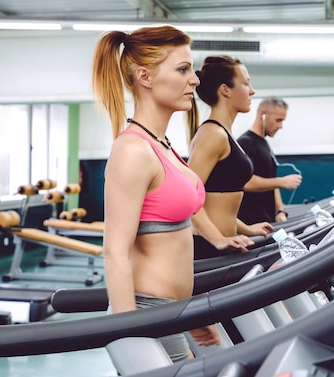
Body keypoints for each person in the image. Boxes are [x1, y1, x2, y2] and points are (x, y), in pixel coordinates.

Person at [92, 25, 219, 363]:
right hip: (149, 315)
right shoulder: (132, 151)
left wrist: (191, 317)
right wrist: (130, 334)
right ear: (144, 77)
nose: (194, 80)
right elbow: (114, 253)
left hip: (175, 312)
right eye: (183, 69)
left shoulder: (163, 145)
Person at [185, 55, 274, 260]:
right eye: (245, 83)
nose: (252, 91)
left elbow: (220, 204)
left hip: (224, 244)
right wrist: (217, 239)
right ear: (225, 90)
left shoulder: (225, 134)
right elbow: (188, 195)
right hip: (207, 246)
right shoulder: (213, 135)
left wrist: (246, 229)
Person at [237, 96, 302, 224]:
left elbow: (272, 181)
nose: (280, 126)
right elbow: (245, 182)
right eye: (278, 120)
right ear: (263, 115)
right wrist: (282, 181)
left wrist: (280, 211)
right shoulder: (246, 143)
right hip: (250, 223)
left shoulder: (264, 143)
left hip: (268, 221)